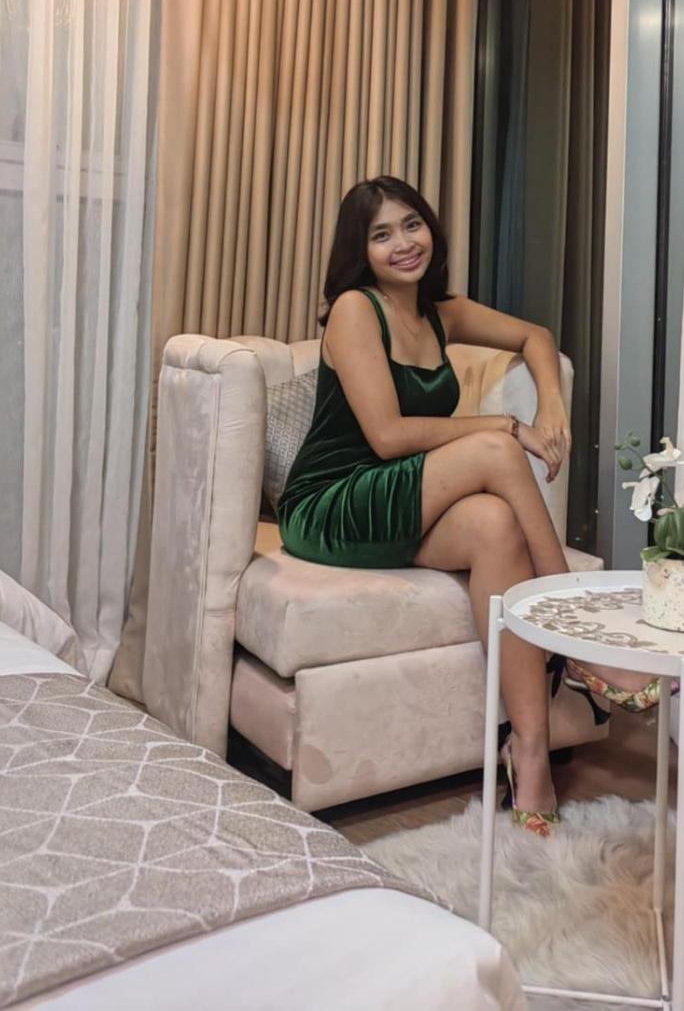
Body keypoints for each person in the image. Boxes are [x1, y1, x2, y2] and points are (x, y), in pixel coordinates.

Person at [279, 175, 663, 837]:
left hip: (401, 495)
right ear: (360, 251)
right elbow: (387, 437)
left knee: (495, 525)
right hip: (334, 500)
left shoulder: (441, 313)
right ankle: (575, 636)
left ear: (431, 228)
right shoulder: (355, 310)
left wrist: (550, 404)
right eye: (381, 234)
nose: (403, 243)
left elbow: (535, 336)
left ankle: (530, 756)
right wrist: (508, 426)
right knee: (496, 449)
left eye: (412, 225)